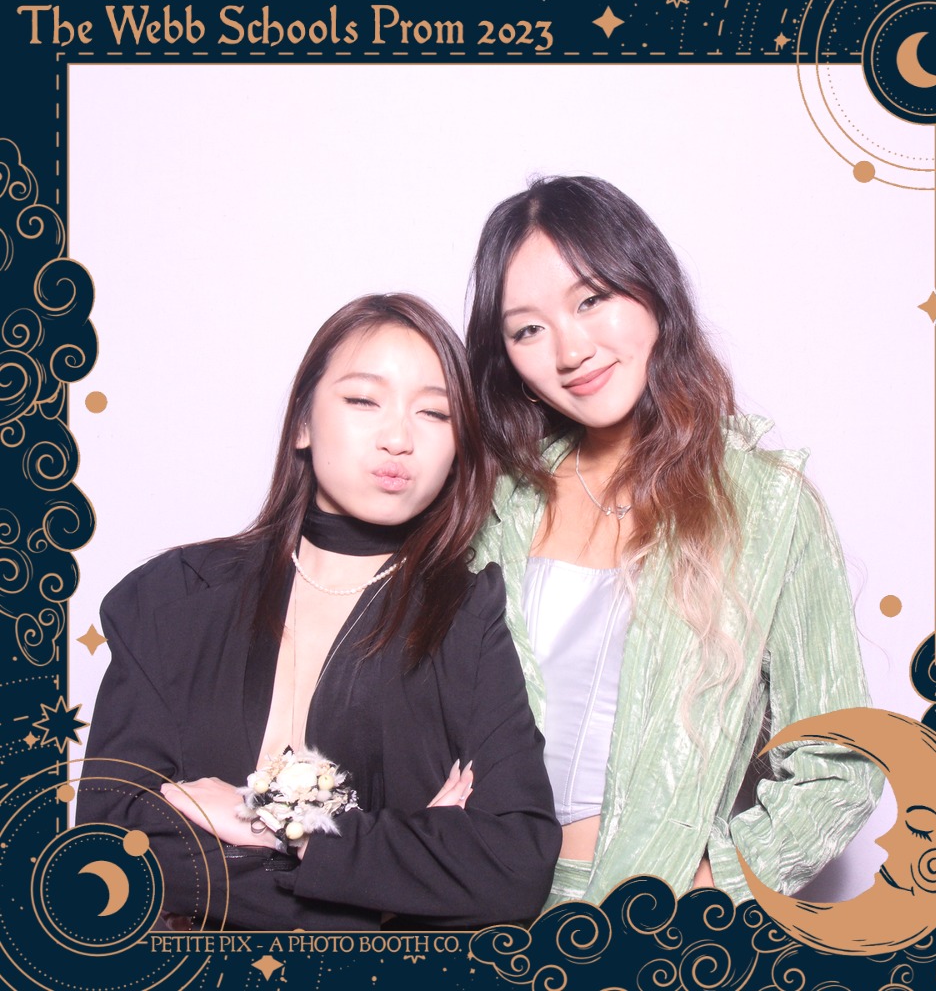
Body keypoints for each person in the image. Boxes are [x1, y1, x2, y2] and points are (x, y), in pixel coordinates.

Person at [78, 293, 561, 930]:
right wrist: (390, 882)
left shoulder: (466, 617)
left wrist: (281, 823)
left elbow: (514, 869)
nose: (398, 439)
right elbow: (110, 844)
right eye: (363, 400)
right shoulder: (172, 597)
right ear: (303, 423)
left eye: (435, 413)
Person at [465, 175, 882, 910]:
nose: (571, 349)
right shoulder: (497, 503)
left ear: (652, 290)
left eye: (591, 299)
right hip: (472, 906)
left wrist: (712, 890)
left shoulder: (767, 505)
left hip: (644, 916)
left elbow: (840, 761)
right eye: (527, 329)